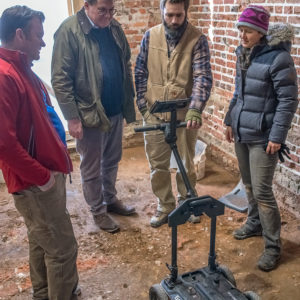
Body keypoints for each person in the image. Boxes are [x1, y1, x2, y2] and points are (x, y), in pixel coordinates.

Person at [0, 5, 79, 299]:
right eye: (39, 36)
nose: (43, 43)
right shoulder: (5, 76)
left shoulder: (21, 70)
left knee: (40, 239)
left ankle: (44, 292)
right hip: (35, 184)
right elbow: (4, 144)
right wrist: (43, 177)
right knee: (62, 249)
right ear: (20, 35)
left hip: (42, 179)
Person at [51, 0, 136, 234]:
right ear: (86, 6)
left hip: (114, 109)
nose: (108, 16)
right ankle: (98, 210)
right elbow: (61, 79)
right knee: (91, 167)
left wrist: (127, 101)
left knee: (111, 160)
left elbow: (124, 63)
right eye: (102, 11)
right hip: (89, 114)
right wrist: (72, 117)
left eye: (112, 10)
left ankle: (110, 199)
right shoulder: (69, 31)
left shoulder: (114, 27)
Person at [224, 5, 298, 272]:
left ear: (262, 32)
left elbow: (288, 101)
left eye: (249, 31)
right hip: (243, 130)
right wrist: (229, 119)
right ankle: (254, 223)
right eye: (241, 30)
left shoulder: (278, 59)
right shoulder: (242, 53)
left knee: (264, 191)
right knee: (249, 185)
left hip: (264, 137)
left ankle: (273, 247)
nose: (243, 35)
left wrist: (277, 136)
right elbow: (238, 93)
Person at [135, 0, 212, 228]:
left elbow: (202, 77)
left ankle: (188, 202)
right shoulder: (150, 36)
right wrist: (142, 106)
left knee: (186, 164)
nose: (174, 21)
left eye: (179, 15)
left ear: (186, 11)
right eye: (169, 15)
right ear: (162, 11)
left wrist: (195, 109)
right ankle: (165, 205)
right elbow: (140, 72)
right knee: (158, 165)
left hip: (183, 117)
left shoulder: (197, 39)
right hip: (155, 113)